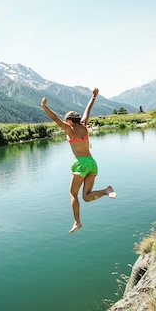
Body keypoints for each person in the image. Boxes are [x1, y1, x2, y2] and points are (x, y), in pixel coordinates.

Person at [41, 88, 116, 233]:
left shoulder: (70, 130)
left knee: (73, 194)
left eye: (66, 121)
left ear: (69, 121)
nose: (65, 123)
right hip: (92, 164)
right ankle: (107, 191)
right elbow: (88, 109)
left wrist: (44, 106)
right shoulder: (84, 125)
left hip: (80, 164)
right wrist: (93, 96)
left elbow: (55, 118)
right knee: (86, 197)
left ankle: (77, 222)